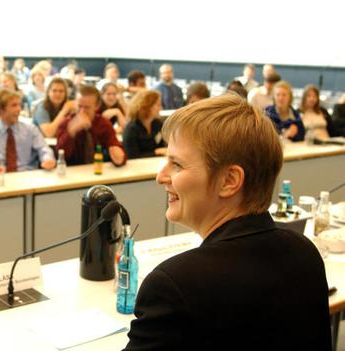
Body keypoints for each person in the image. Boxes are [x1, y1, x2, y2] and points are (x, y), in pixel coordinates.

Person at [124, 94, 331, 350]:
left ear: (229, 181)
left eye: (176, 164)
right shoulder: (305, 252)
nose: (160, 176)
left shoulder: (175, 285)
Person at [0, 89, 55, 172]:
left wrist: (47, 159)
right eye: (14, 105)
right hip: (0, 178)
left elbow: (43, 148)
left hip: (28, 177)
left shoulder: (30, 130)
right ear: (0, 109)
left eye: (20, 105)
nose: (19, 109)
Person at [56, 85, 126, 166]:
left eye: (87, 107)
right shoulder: (66, 123)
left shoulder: (103, 124)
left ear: (97, 106)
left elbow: (115, 146)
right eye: (79, 106)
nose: (82, 111)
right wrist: (70, 132)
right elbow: (59, 156)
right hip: (71, 172)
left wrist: (119, 158)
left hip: (97, 170)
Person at [122, 90, 166, 159]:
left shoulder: (158, 124)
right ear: (146, 106)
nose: (161, 108)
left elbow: (162, 148)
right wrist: (155, 152)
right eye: (158, 105)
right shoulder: (131, 129)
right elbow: (132, 156)